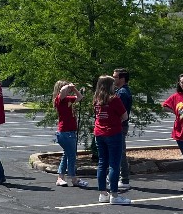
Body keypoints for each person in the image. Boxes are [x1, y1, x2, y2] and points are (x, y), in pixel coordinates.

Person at [93, 75, 131, 205]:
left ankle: (103, 193)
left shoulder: (97, 99)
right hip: (113, 132)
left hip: (99, 132)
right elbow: (125, 116)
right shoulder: (114, 99)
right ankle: (114, 195)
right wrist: (116, 120)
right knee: (114, 164)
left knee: (102, 163)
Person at [53, 80, 88, 188]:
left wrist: (74, 89)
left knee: (66, 155)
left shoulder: (68, 99)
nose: (68, 90)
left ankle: (60, 178)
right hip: (65, 133)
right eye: (66, 88)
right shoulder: (59, 99)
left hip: (69, 132)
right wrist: (68, 86)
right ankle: (74, 179)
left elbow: (80, 97)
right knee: (72, 156)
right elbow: (63, 91)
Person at [113, 68, 134, 191]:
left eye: (115, 77)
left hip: (120, 126)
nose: (113, 79)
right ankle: (121, 178)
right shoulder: (120, 91)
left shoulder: (122, 93)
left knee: (120, 152)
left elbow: (120, 113)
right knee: (119, 152)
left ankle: (124, 179)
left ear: (122, 79)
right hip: (120, 125)